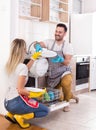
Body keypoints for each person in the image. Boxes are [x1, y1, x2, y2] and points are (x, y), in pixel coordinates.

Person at [4, 38, 49, 129]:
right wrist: (36, 94)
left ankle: (11, 114)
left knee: (34, 102)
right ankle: (20, 117)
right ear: (21, 50)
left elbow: (24, 69)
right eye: (25, 48)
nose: (26, 51)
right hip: (16, 102)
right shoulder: (22, 67)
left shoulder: (9, 64)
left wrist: (33, 59)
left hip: (7, 103)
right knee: (45, 110)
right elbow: (20, 90)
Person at [38, 23, 79, 112]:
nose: (57, 33)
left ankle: (67, 102)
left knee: (66, 82)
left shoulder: (68, 45)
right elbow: (39, 44)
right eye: (56, 31)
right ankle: (72, 96)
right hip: (52, 74)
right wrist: (37, 46)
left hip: (64, 72)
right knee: (58, 97)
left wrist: (60, 59)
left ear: (64, 34)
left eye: (60, 32)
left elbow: (67, 62)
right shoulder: (49, 42)